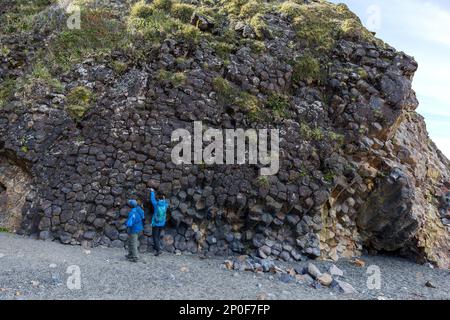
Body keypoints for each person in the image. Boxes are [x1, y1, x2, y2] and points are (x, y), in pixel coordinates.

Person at [150, 188, 169, 256]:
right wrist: (164, 199)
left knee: (155, 236)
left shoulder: (156, 204)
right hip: (162, 223)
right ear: (163, 198)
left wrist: (152, 192)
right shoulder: (165, 205)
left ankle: (158, 250)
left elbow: (152, 199)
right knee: (157, 236)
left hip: (156, 223)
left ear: (158, 199)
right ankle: (156, 247)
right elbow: (165, 201)